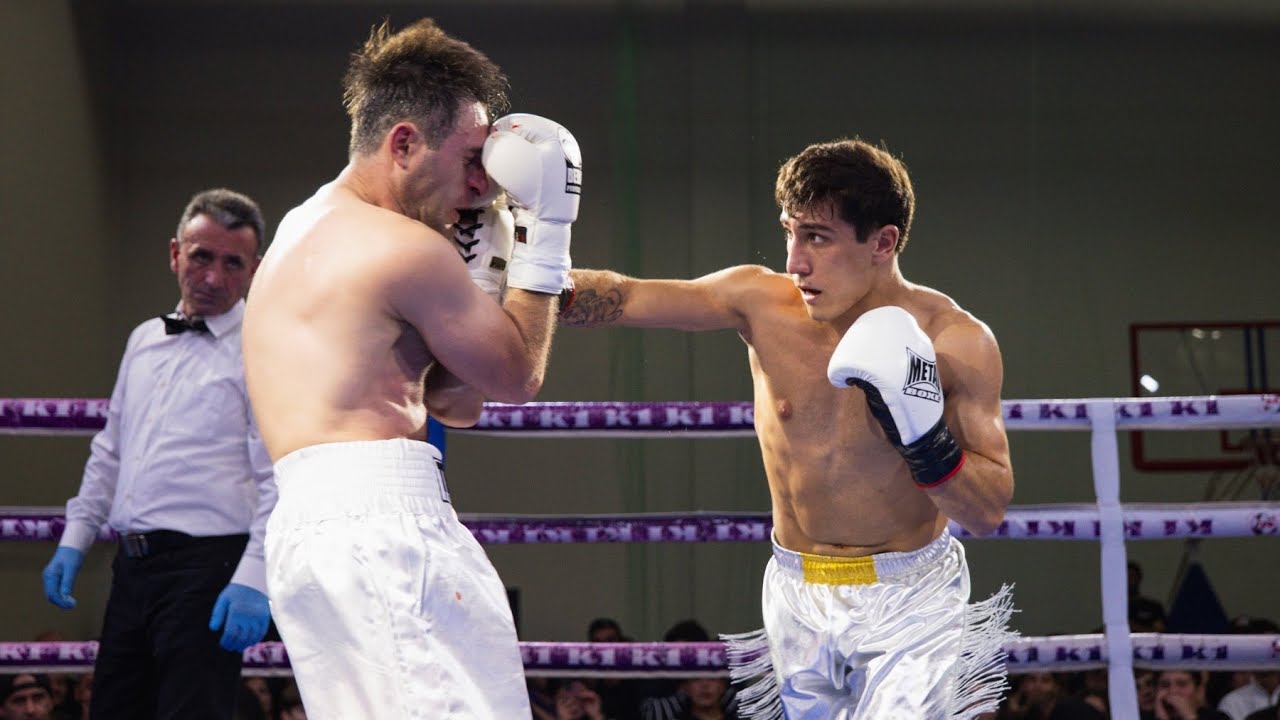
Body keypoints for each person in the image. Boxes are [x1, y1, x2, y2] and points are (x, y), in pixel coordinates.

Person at [562, 138, 1015, 719]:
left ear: (883, 242)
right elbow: (626, 298)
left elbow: (987, 512)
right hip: (795, 590)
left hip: (910, 596)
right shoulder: (761, 303)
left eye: (818, 238)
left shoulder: (956, 342)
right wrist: (518, 277)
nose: (796, 261)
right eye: (789, 233)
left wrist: (924, 439)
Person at [241, 17, 579, 719]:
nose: (484, 186)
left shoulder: (303, 229)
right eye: (471, 161)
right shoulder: (402, 248)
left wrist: (484, 280)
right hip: (382, 525)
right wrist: (547, 235)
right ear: (403, 143)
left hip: (312, 529)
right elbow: (516, 377)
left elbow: (458, 402)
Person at [40, 188, 276, 719]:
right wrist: (75, 539)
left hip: (207, 570)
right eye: (201, 256)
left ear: (254, 269)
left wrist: (253, 577)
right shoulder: (144, 340)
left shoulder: (263, 347)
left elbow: (277, 475)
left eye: (232, 263)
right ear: (175, 254)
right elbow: (110, 450)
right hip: (132, 568)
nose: (214, 277)